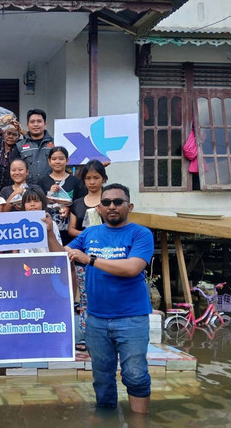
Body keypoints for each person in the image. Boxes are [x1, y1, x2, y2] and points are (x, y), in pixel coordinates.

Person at [63, 183, 154, 414]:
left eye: (118, 202)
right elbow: (63, 254)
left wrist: (90, 259)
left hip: (131, 318)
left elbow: (132, 268)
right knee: (102, 377)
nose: (111, 206)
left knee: (135, 375)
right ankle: (106, 425)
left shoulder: (141, 233)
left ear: (129, 206)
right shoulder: (90, 233)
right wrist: (46, 231)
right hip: (96, 319)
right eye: (106, 202)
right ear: (100, 208)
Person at [68, 159, 108, 351]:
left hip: (108, 256)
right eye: (88, 178)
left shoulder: (109, 202)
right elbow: (71, 230)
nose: (92, 182)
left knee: (106, 294)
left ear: (104, 179)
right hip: (83, 255)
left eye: (96, 178)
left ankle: (107, 336)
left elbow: (117, 225)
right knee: (84, 297)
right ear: (83, 181)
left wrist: (102, 227)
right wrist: (90, 233)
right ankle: (85, 336)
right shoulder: (77, 203)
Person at [39, 146, 87, 244]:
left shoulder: (75, 181)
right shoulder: (42, 182)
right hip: (48, 228)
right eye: (54, 159)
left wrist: (69, 208)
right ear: (49, 161)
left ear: (67, 160)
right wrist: (49, 194)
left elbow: (81, 202)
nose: (57, 162)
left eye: (61, 159)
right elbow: (38, 203)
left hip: (70, 229)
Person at [15, 109, 55, 185]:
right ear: (27, 125)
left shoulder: (55, 143)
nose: (35, 124)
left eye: (39, 121)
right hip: (28, 190)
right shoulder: (19, 146)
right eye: (32, 122)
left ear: (45, 123)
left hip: (51, 189)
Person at [21, 186, 62, 253]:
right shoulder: (19, 225)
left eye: (36, 201)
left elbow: (59, 253)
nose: (32, 204)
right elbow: (16, 251)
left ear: (42, 203)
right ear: (23, 205)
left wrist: (50, 231)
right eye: (28, 201)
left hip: (47, 262)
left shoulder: (51, 224)